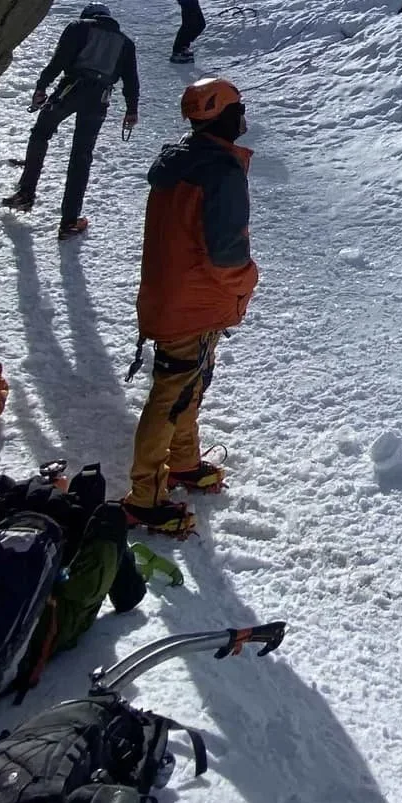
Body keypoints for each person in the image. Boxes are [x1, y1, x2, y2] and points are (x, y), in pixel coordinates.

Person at [124, 76, 258, 536]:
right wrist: (245, 286)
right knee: (171, 393)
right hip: (193, 304)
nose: (244, 116)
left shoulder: (179, 161)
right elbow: (227, 255)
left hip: (170, 295)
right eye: (239, 108)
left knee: (187, 385)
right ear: (225, 115)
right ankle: (146, 497)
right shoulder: (220, 172)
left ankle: (182, 462)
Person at [1, 3, 139, 239]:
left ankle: (26, 192)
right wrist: (131, 111)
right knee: (81, 156)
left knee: (41, 133)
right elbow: (131, 80)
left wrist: (42, 86)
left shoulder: (78, 27)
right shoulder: (125, 42)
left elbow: (60, 60)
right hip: (100, 98)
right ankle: (69, 221)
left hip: (71, 89)